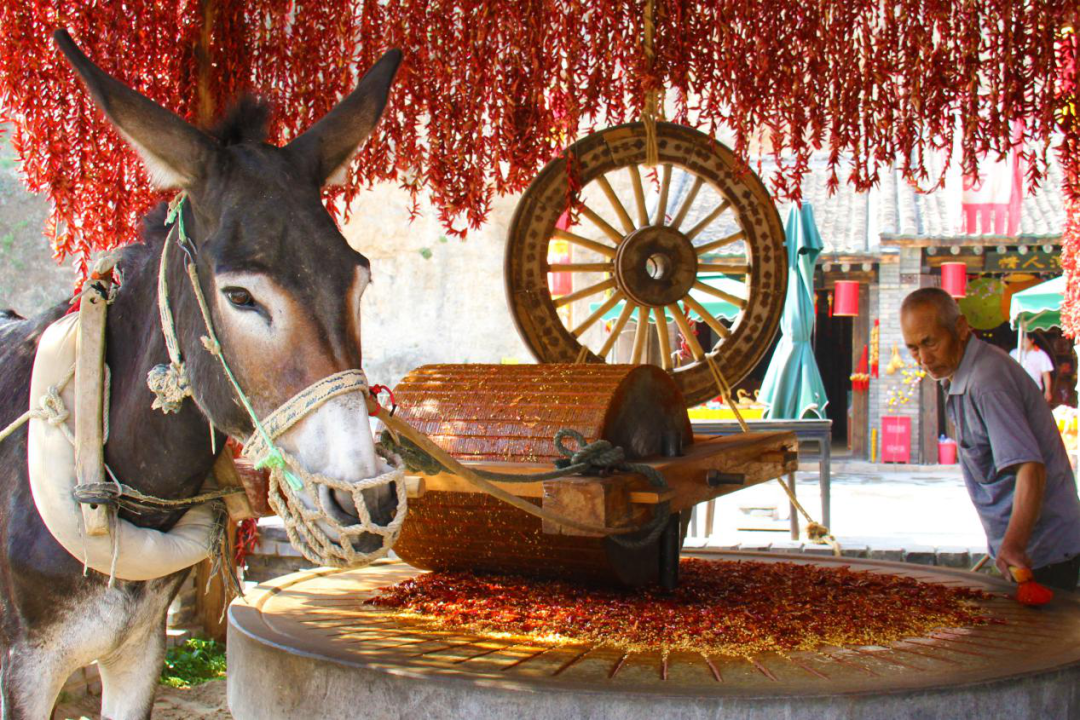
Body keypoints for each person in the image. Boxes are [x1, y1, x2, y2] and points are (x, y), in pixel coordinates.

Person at [900, 287, 1080, 591]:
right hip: (1028, 553)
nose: (924, 358)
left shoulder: (987, 381)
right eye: (914, 348)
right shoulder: (962, 373)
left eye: (930, 342)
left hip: (1045, 554)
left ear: (960, 328)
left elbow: (1030, 468)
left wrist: (1013, 546)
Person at [1010, 334, 1054, 403]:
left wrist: (1047, 391)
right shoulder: (1014, 353)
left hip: (1035, 389)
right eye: (1021, 341)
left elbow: (1045, 374)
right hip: (1017, 389)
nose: (1023, 344)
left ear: (1032, 340)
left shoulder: (1041, 354)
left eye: (1025, 341)